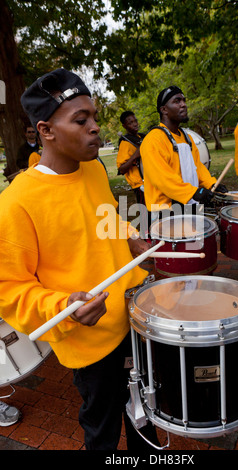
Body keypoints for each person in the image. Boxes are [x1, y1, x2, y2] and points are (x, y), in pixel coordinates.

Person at [0, 68, 159, 451]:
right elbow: (9, 289)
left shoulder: (93, 169)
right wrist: (63, 306)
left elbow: (106, 217)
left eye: (95, 118)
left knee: (145, 414)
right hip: (90, 341)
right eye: (81, 120)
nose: (94, 128)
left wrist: (132, 238)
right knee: (102, 428)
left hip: (135, 315)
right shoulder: (16, 203)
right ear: (46, 130)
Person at [140, 86, 227, 223]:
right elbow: (162, 178)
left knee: (194, 243)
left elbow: (197, 167)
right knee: (175, 245)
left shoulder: (187, 137)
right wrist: (193, 192)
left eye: (184, 100)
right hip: (165, 211)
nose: (183, 104)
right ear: (164, 109)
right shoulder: (153, 139)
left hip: (190, 203)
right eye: (177, 101)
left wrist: (211, 184)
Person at [117, 111, 149, 237]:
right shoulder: (126, 143)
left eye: (135, 121)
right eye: (130, 123)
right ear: (124, 126)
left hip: (150, 181)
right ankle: (147, 239)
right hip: (139, 184)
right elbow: (122, 169)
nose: (134, 124)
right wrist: (135, 156)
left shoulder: (142, 137)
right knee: (145, 213)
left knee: (155, 212)